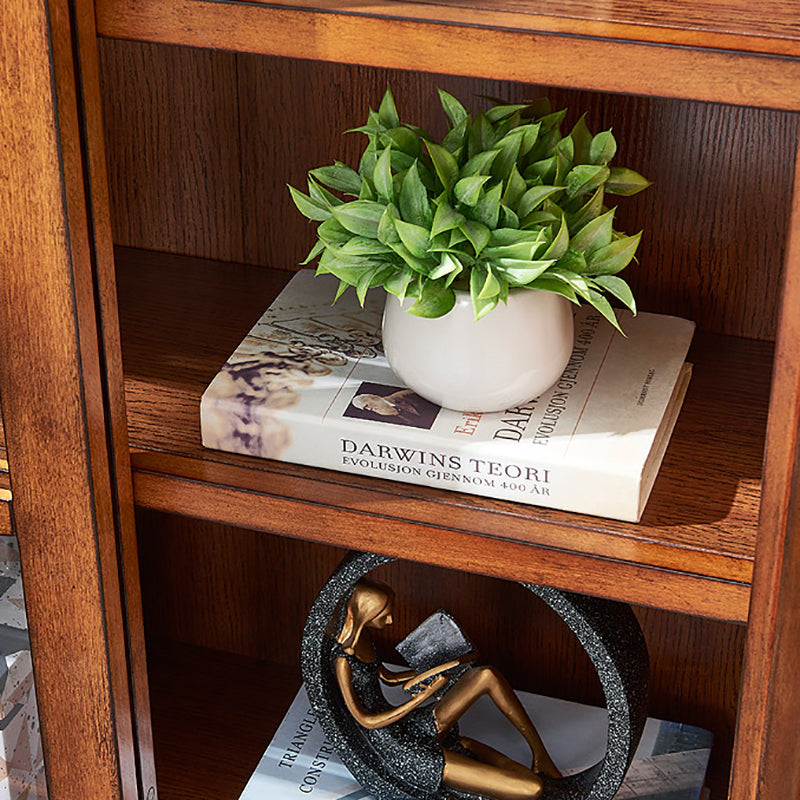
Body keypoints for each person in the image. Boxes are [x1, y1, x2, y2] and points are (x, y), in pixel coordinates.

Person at [332, 578, 561, 800]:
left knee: (485, 675)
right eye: (383, 615)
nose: (390, 620)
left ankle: (540, 756)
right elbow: (366, 721)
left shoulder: (364, 638)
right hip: (398, 750)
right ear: (365, 613)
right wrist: (421, 697)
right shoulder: (342, 661)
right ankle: (461, 753)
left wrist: (438, 669)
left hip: (406, 726)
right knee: (533, 788)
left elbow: (387, 677)